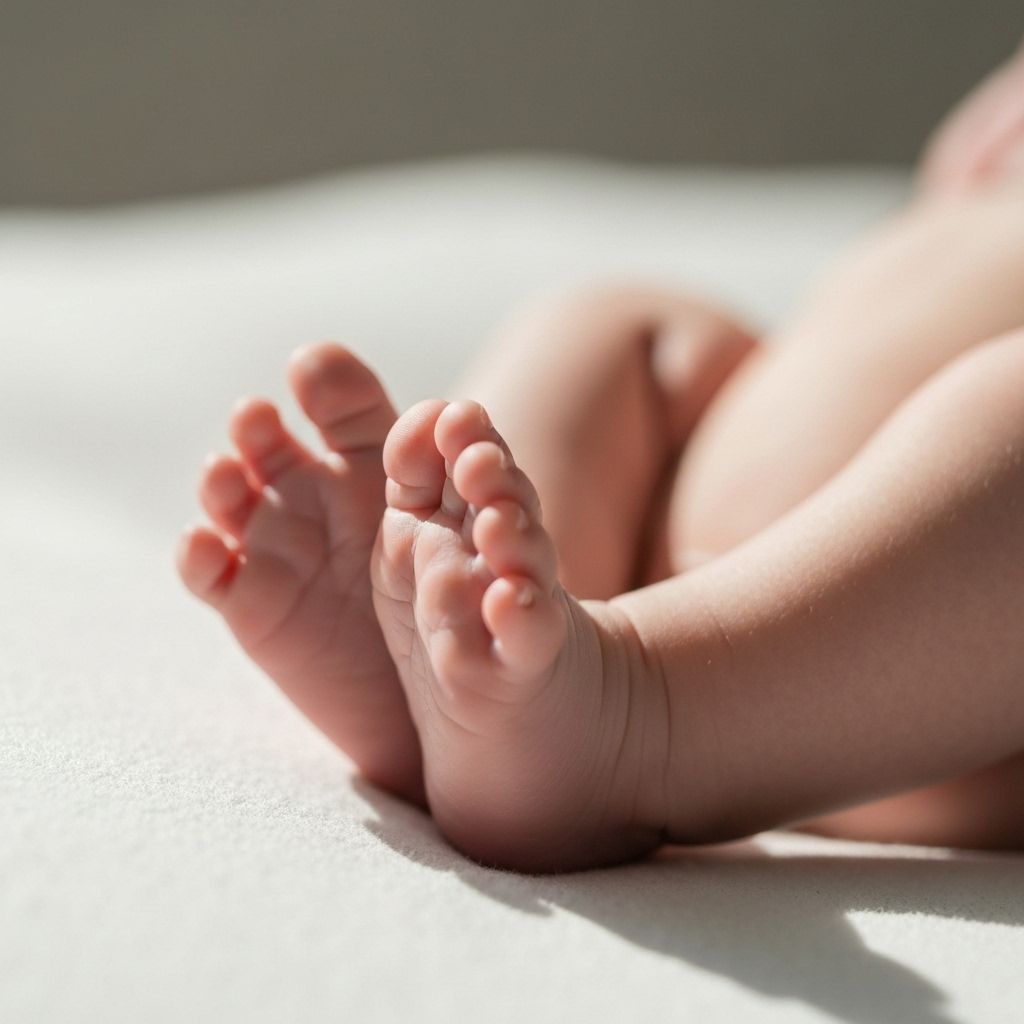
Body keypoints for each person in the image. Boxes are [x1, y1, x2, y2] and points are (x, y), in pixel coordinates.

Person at [177, 44, 1024, 872]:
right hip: (695, 540)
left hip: (949, 695)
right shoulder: (950, 216)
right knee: (630, 324)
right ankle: (487, 650)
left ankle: (644, 714)